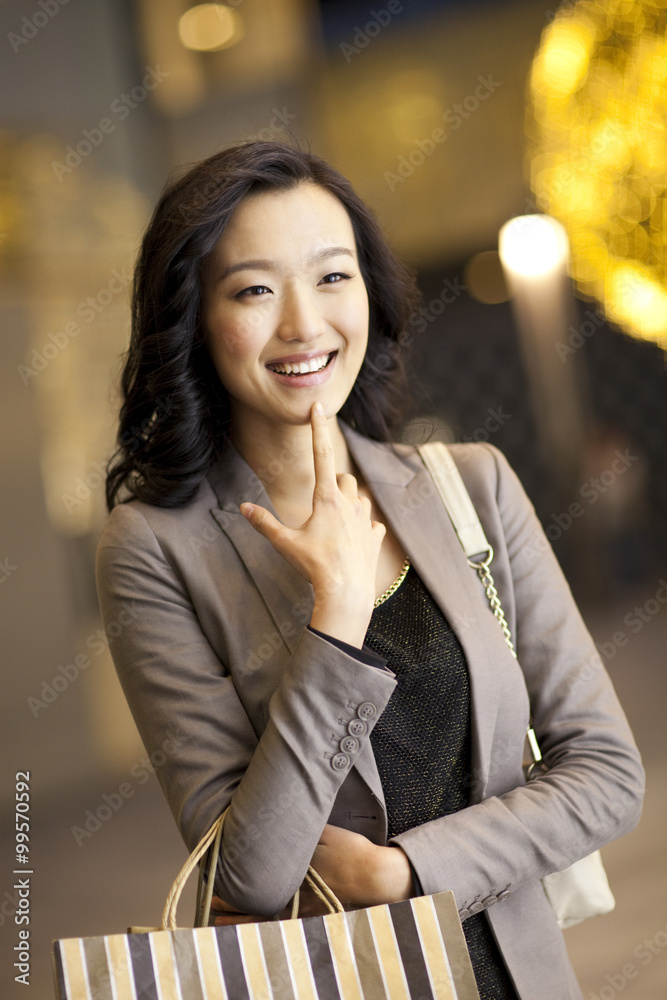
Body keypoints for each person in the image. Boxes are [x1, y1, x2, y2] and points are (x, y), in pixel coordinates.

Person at [97, 140, 644, 999]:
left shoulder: (472, 485)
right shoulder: (154, 549)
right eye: (253, 290)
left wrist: (405, 873)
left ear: (370, 291)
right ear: (193, 317)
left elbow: (607, 775)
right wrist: (338, 617)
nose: (303, 326)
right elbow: (247, 877)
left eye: (331, 277)